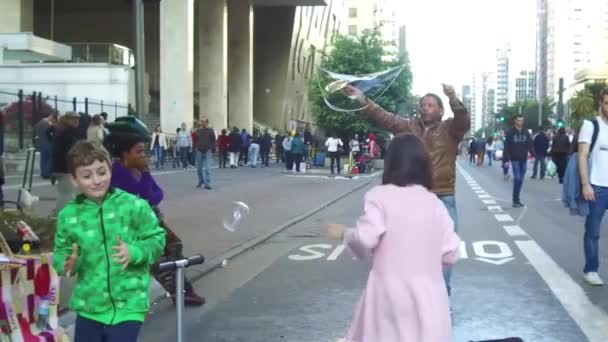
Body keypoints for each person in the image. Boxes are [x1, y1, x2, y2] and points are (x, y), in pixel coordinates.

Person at [322, 134, 460, 342]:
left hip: (388, 294)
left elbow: (366, 239)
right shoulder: (435, 204)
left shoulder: (379, 196)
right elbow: (451, 252)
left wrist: (345, 233)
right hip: (430, 297)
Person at [344, 83, 469, 298]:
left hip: (442, 196)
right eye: (423, 105)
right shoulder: (410, 126)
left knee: (443, 252)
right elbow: (385, 118)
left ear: (440, 110)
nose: (425, 108)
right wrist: (362, 100)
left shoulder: (450, 129)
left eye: (430, 105)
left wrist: (453, 98)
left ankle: (442, 298)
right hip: (411, 197)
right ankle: (412, 298)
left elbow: (463, 120)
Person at [52, 141, 166, 342]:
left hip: (129, 304)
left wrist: (135, 252)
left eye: (101, 172)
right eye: (87, 176)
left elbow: (157, 239)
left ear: (110, 170)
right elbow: (62, 253)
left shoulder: (134, 205)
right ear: (74, 179)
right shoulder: (68, 216)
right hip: (89, 305)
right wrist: (66, 263)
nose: (96, 181)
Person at [105, 133, 205, 306]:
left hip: (151, 219)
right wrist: (144, 177)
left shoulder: (139, 170)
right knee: (156, 257)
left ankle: (182, 290)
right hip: (132, 226)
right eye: (139, 151)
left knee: (174, 245)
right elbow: (143, 197)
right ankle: (179, 291)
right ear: (125, 154)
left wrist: (145, 185)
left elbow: (158, 193)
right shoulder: (118, 173)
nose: (144, 155)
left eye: (144, 151)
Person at [578, 88, 608, 286]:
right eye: (607, 103)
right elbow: (582, 155)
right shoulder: (591, 125)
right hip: (596, 186)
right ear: (601, 104)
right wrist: (585, 183)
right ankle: (591, 269)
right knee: (593, 231)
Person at [52, 111, 83, 214]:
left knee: (66, 192)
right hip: (65, 168)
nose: (76, 120)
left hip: (61, 167)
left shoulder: (62, 131)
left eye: (77, 118)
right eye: (72, 118)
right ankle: (60, 215)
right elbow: (69, 153)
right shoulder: (67, 133)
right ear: (66, 119)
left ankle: (60, 214)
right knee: (66, 193)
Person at [503, 114, 534, 207]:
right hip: (514, 158)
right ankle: (515, 200)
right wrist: (506, 160)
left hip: (523, 158)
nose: (520, 122)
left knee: (521, 179)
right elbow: (506, 146)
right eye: (519, 120)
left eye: (522, 120)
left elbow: (530, 143)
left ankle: (517, 198)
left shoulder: (526, 132)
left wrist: (532, 155)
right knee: (517, 178)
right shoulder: (510, 132)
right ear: (515, 121)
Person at [194, 118, 216, 189]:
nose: (202, 123)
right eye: (201, 121)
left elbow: (213, 140)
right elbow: (195, 141)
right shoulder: (198, 131)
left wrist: (213, 149)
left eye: (204, 122)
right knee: (199, 168)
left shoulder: (210, 130)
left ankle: (207, 183)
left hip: (208, 150)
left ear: (207, 123)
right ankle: (201, 181)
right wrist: (195, 148)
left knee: (207, 168)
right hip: (199, 150)